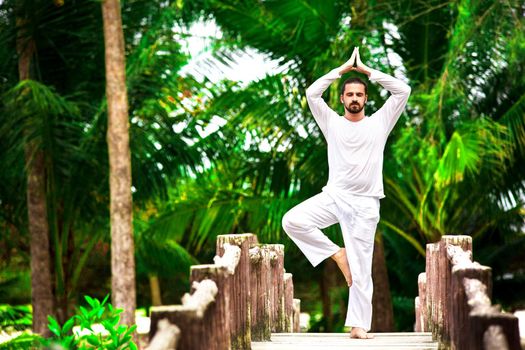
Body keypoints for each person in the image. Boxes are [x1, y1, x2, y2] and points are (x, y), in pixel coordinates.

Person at [282, 47, 411, 339]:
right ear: (342, 99)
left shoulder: (380, 122)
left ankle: (358, 326)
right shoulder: (332, 122)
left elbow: (403, 91)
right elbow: (312, 94)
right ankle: (336, 254)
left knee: (363, 269)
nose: (354, 98)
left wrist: (367, 72)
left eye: (359, 94)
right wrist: (341, 70)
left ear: (366, 99)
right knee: (292, 221)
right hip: (335, 197)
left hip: (366, 205)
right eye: (349, 94)